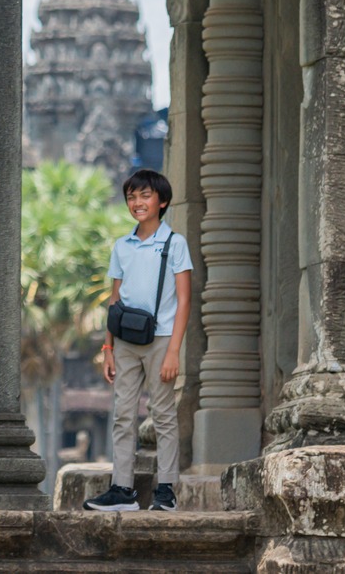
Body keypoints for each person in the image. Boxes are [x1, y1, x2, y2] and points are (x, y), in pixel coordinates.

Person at [84, 167, 194, 513]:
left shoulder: (175, 243)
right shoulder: (122, 246)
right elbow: (114, 302)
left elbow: (185, 299)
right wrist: (108, 348)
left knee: (162, 414)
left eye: (145, 195)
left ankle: (166, 490)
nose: (137, 202)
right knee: (123, 414)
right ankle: (122, 490)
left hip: (162, 339)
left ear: (162, 201)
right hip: (126, 341)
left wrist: (174, 351)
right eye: (132, 197)